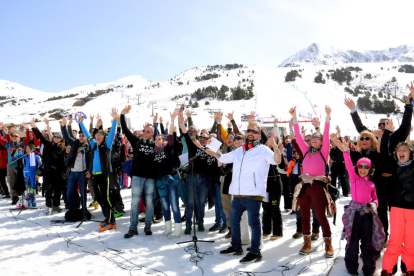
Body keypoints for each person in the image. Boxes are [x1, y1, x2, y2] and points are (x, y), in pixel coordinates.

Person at [206, 122, 281, 264]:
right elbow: (223, 158)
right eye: (249, 130)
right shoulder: (240, 150)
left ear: (259, 135)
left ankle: (255, 252)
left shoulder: (263, 150)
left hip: (253, 193)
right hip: (238, 194)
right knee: (233, 220)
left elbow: (276, 161)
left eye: (254, 131)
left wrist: (276, 148)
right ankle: (236, 246)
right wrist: (214, 149)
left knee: (253, 223)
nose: (250, 133)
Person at [332, 135, 384, 276]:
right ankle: (351, 266)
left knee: (368, 244)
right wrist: (345, 152)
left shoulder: (372, 184)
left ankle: (369, 268)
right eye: (360, 166)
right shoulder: (354, 179)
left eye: (366, 167)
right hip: (354, 215)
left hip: (367, 216)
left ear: (370, 169)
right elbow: (348, 165)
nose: (362, 169)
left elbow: (375, 198)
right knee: (353, 242)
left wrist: (374, 204)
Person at [289, 105, 334, 257]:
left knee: (320, 216)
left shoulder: (324, 152)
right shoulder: (305, 151)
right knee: (304, 216)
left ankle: (328, 245)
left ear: (322, 142)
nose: (314, 139)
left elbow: (326, 134)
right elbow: (298, 136)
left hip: (317, 188)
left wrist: (327, 117)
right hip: (304, 188)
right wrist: (294, 117)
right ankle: (306, 243)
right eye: (312, 137)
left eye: (317, 138)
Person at [79, 109, 119, 231]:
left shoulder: (107, 146)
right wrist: (81, 123)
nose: (97, 136)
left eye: (100, 135)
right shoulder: (93, 145)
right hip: (94, 176)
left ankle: (111, 221)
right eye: (96, 135)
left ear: (104, 138)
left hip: (104, 175)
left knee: (106, 198)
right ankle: (107, 218)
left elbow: (112, 133)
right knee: (100, 198)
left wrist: (115, 120)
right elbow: (87, 134)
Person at [120, 105, 157, 238]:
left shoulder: (155, 144)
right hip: (137, 177)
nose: (146, 133)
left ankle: (147, 226)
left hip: (150, 178)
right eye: (144, 131)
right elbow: (125, 129)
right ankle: (132, 228)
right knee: (135, 202)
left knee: (149, 202)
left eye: (149, 131)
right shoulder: (136, 141)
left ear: (152, 134)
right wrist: (122, 115)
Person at [178, 112, 210, 235]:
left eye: (204, 138)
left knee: (201, 202)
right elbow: (185, 134)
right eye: (200, 138)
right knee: (190, 202)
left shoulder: (209, 149)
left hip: (204, 179)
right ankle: (188, 224)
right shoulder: (192, 146)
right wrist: (182, 123)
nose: (202, 139)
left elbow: (218, 155)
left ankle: (200, 222)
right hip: (192, 178)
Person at [154, 109, 183, 238]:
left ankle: (177, 228)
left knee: (174, 204)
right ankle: (168, 227)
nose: (157, 141)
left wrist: (172, 120)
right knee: (165, 205)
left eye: (160, 139)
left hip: (171, 180)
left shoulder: (168, 149)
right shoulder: (153, 153)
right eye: (156, 139)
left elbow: (170, 135)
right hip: (160, 181)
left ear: (164, 140)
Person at [31, 118, 66, 215]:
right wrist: (35, 127)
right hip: (49, 171)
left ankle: (56, 205)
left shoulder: (63, 148)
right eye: (55, 136)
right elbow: (41, 137)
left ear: (61, 139)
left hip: (59, 172)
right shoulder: (48, 145)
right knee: (49, 189)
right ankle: (49, 206)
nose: (56, 138)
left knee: (58, 190)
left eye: (58, 137)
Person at [60, 116, 91, 212]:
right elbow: (66, 136)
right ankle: (71, 209)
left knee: (83, 193)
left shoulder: (89, 146)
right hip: (73, 172)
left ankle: (84, 210)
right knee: (69, 192)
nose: (81, 137)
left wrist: (89, 171)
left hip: (83, 172)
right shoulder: (75, 143)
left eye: (83, 136)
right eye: (80, 136)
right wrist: (63, 126)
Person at [0, 123, 31, 204]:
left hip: (20, 166)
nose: (14, 137)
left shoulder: (22, 144)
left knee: (22, 182)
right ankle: (14, 197)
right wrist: (0, 129)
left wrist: (27, 129)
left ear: (19, 138)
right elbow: (0, 139)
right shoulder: (8, 144)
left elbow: (27, 138)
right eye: (13, 136)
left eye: (16, 136)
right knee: (11, 182)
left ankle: (25, 196)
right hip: (10, 166)